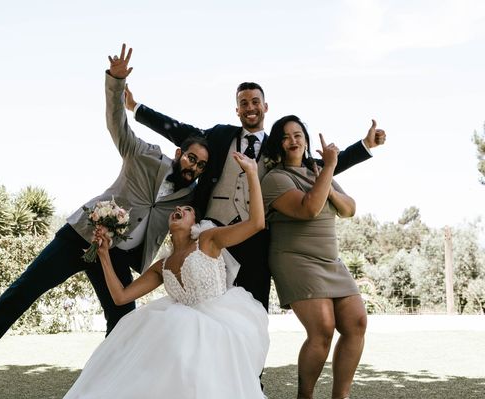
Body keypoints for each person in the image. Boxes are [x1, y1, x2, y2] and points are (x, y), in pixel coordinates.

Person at [0, 44, 209, 371]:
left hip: (116, 255)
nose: (194, 167)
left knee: (123, 319)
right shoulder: (145, 155)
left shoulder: (191, 198)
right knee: (27, 286)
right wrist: (116, 82)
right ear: (180, 152)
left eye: (200, 166)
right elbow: (117, 124)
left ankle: (105, 385)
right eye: (191, 158)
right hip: (83, 233)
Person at [40, 149, 284, 399]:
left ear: (196, 221)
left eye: (187, 209)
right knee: (155, 335)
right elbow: (120, 296)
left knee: (179, 330)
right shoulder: (162, 265)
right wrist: (103, 255)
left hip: (217, 324)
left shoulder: (209, 241)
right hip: (178, 324)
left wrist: (250, 172)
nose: (179, 209)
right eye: (177, 208)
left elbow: (257, 222)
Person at [125, 82, 386, 310]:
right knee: (208, 306)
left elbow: (316, 166)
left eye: (255, 102)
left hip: (256, 236)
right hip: (212, 234)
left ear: (265, 107)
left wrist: (365, 146)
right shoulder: (219, 135)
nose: (250, 107)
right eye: (243, 103)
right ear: (237, 110)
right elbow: (178, 130)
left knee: (255, 308)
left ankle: (252, 369)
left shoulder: (280, 145)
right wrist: (136, 108)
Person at [261, 115, 368, 399]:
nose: (293, 141)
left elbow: (349, 209)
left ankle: (340, 398)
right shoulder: (275, 178)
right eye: (286, 136)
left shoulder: (318, 171)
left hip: (330, 261)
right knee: (322, 328)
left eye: (298, 134)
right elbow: (308, 208)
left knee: (357, 322)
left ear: (306, 140)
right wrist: (329, 170)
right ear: (278, 145)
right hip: (296, 259)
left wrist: (327, 178)